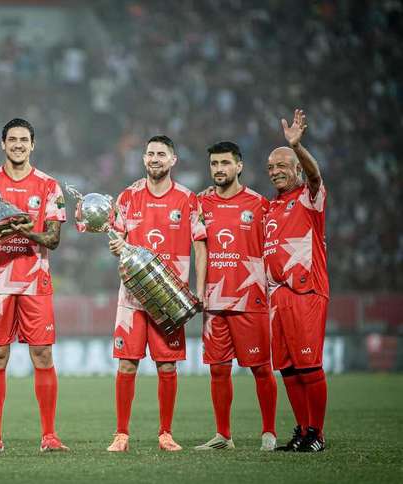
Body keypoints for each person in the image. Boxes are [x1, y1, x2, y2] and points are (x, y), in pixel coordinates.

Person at [0, 118, 68, 453]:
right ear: (4, 144)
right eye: (12, 140)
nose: (18, 145)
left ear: (32, 145)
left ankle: (49, 436)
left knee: (42, 354)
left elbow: (52, 238)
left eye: (24, 140)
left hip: (35, 282)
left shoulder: (50, 186)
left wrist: (19, 229)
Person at [107, 135, 207, 452]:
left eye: (161, 154)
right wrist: (116, 246)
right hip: (133, 297)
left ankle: (165, 434)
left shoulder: (189, 200)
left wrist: (200, 289)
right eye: (149, 153)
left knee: (167, 366)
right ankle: (121, 435)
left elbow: (201, 246)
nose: (154, 158)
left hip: (169, 298)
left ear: (173, 160)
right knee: (126, 365)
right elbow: (116, 241)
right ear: (143, 159)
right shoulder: (127, 197)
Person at [194, 141, 278, 451]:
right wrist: (200, 288)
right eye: (214, 163)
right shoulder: (200, 203)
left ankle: (268, 432)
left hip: (250, 299)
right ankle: (223, 436)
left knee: (260, 367)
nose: (219, 169)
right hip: (214, 300)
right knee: (217, 369)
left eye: (225, 163)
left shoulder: (258, 204)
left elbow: (271, 248)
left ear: (238, 166)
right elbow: (198, 248)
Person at [264, 109, 329, 452]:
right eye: (271, 168)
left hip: (306, 292)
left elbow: (316, 176)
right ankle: (303, 431)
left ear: (296, 169)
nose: (275, 172)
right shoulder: (270, 209)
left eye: (281, 166)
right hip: (278, 297)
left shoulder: (309, 198)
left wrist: (297, 146)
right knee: (288, 369)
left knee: (308, 365)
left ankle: (317, 433)